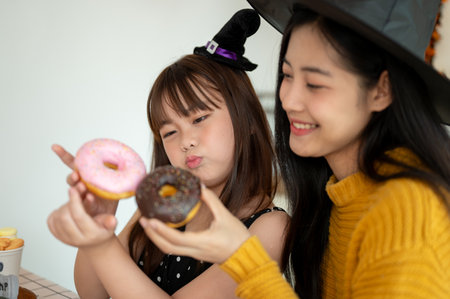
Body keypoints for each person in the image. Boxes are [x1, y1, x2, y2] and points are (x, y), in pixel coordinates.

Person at [141, 0, 450, 298]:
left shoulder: (409, 210)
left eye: (314, 83)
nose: (288, 100)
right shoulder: (334, 196)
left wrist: (245, 262)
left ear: (381, 91)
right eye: (288, 75)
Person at [47, 9, 289, 299]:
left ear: (248, 119)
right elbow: (92, 292)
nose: (185, 141)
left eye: (199, 119)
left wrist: (101, 244)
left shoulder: (270, 228)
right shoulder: (164, 201)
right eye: (169, 132)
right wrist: (99, 226)